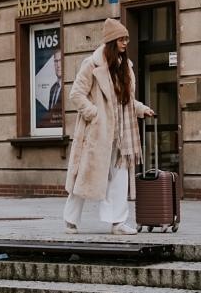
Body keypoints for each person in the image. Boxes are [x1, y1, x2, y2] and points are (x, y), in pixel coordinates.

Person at [64, 17, 155, 234]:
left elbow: (125, 101)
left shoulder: (125, 67)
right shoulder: (92, 64)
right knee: (85, 176)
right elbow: (76, 94)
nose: (125, 43)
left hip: (122, 131)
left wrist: (141, 109)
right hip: (97, 132)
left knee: (120, 178)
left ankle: (118, 223)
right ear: (112, 42)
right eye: (121, 39)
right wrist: (93, 114)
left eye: (127, 39)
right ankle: (70, 220)